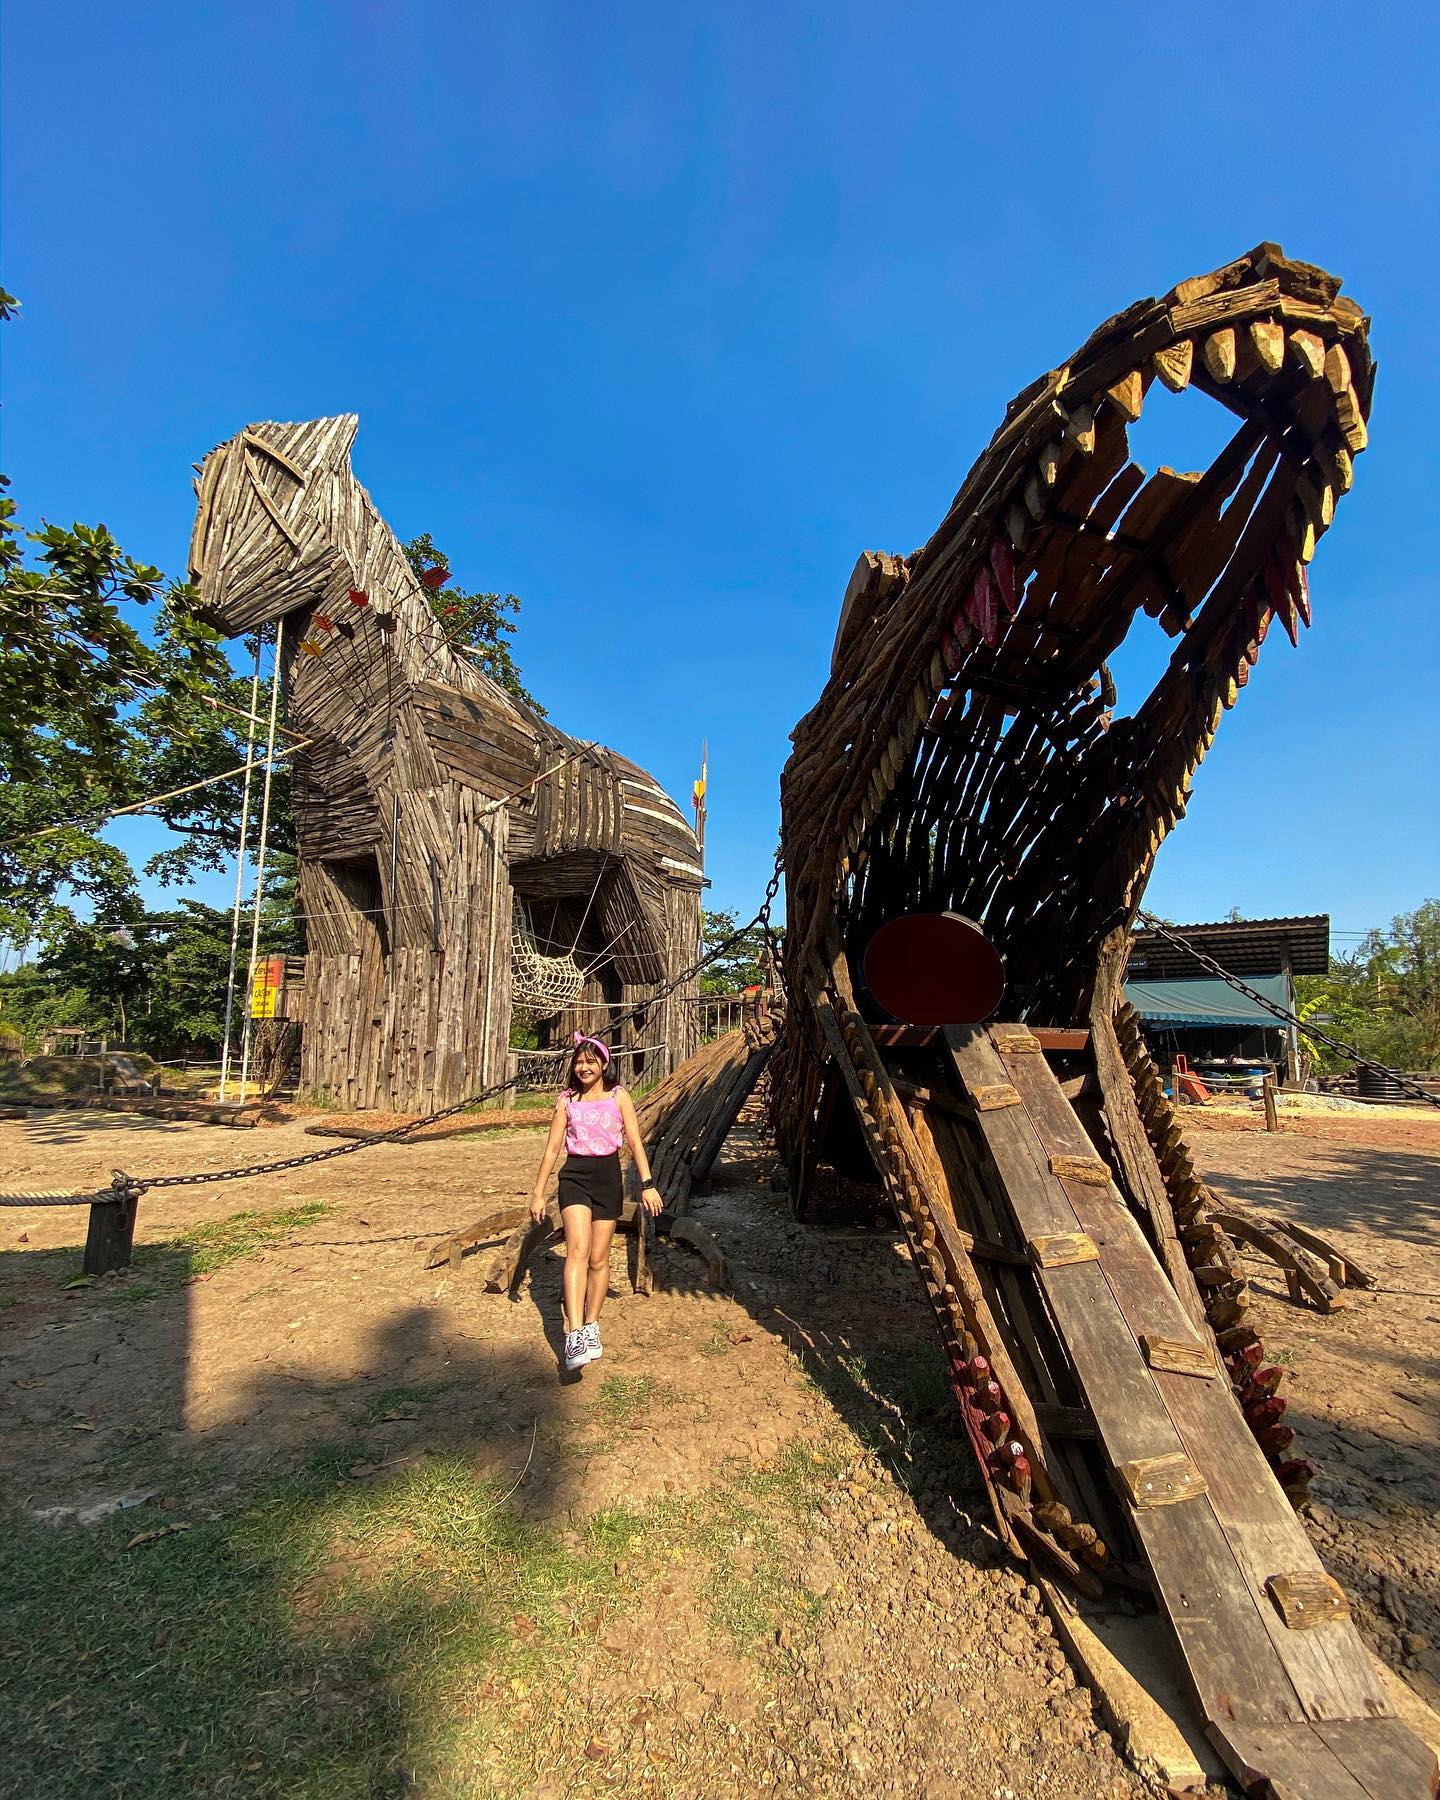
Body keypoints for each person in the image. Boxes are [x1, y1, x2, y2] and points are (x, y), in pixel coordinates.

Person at [529, 1033, 663, 1372]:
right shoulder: (567, 1100)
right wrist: (538, 1192)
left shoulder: (619, 1096)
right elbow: (552, 1149)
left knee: (599, 1258)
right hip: (575, 1175)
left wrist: (647, 1185)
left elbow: (635, 1141)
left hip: (608, 1177)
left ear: (604, 1064)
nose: (583, 1067)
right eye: (579, 1062)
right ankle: (573, 1333)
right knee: (577, 1250)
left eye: (590, 1061)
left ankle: (591, 1325)